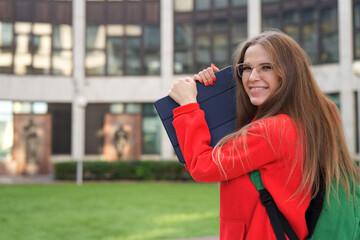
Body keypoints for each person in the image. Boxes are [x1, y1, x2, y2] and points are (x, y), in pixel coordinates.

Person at [168, 30, 360, 239]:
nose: (253, 77)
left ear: (289, 73)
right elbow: (236, 135)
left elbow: (202, 166)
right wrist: (214, 94)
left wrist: (188, 106)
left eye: (266, 67)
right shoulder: (315, 117)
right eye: (246, 68)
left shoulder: (271, 132)